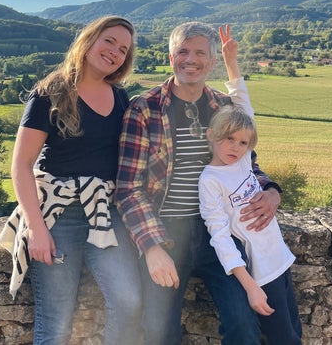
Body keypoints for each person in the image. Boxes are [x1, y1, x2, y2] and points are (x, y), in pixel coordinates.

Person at [115, 22, 282, 345]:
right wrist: (151, 246)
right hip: (164, 230)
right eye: (183, 51)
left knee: (244, 326)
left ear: (212, 61)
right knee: (159, 333)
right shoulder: (144, 109)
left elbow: (247, 166)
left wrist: (272, 191)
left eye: (199, 53)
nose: (190, 59)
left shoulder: (223, 106)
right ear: (170, 57)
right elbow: (128, 188)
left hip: (219, 232)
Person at [0, 16, 143, 345]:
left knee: (129, 302)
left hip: (106, 215)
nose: (115, 52)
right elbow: (21, 164)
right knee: (57, 323)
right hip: (58, 217)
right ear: (89, 39)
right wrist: (36, 228)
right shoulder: (50, 93)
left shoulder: (120, 98)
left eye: (123, 49)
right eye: (109, 41)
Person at [199, 103, 302, 344]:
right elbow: (221, 238)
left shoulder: (243, 162)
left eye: (243, 142)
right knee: (283, 339)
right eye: (229, 138)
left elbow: (245, 107)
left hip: (281, 260)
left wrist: (232, 66)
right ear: (211, 135)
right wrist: (251, 287)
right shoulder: (210, 180)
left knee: (294, 332)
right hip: (262, 273)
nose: (235, 147)